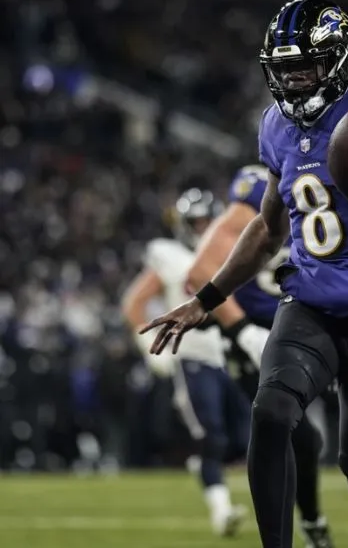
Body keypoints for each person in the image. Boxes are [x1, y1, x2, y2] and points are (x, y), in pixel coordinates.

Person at [139, 0, 348, 548]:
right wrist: (206, 299)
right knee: (272, 410)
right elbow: (268, 229)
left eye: (306, 67)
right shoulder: (276, 126)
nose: (294, 80)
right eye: (285, 69)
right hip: (311, 301)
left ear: (338, 60)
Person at [186, 163, 333, 548]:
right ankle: (308, 524)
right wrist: (242, 330)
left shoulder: (333, 185)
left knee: (332, 437)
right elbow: (199, 272)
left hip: (306, 326)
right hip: (256, 335)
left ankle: (315, 519)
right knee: (293, 433)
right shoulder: (255, 193)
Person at [121, 188, 250, 537]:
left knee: (246, 438)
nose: (203, 228)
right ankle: (222, 510)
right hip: (191, 355)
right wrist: (148, 346)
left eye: (208, 221)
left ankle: (204, 467)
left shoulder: (231, 250)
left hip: (230, 353)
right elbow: (134, 304)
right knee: (212, 435)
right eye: (196, 222)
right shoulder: (170, 255)